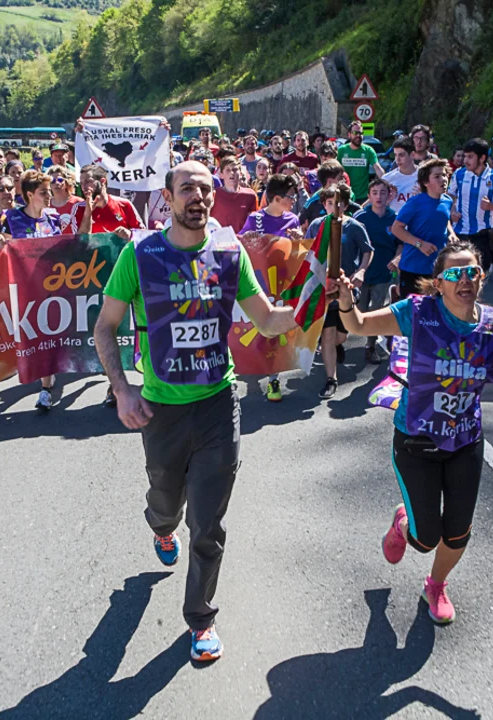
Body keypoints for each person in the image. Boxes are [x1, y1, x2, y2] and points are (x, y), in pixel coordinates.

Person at [93, 160, 297, 662]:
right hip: (161, 407)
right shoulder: (140, 255)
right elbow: (105, 326)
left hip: (217, 404)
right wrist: (122, 390)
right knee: (167, 501)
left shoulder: (229, 252)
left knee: (208, 524)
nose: (198, 197)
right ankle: (161, 525)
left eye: (205, 189)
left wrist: (317, 302)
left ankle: (201, 619)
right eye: (187, 188)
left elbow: (267, 320)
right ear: (168, 197)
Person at [333, 240, 493, 624]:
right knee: (425, 538)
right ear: (439, 282)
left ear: (482, 278)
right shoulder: (417, 312)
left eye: (472, 272)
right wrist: (346, 302)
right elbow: (358, 325)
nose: (465, 280)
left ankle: (435, 585)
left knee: (458, 533)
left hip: (465, 440)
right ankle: (403, 524)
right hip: (416, 440)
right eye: (455, 273)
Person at [72, 164, 146, 408]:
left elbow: (143, 235)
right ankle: (114, 384)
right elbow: (80, 241)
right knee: (104, 330)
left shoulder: (124, 205)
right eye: (81, 182)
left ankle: (134, 381)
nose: (84, 186)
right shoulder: (79, 208)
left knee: (128, 329)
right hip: (95, 278)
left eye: (88, 181)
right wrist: (89, 210)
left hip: (125, 276)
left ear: (102, 181)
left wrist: (129, 234)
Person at [0, 170, 62, 410]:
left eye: (49, 191)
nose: (49, 196)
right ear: (30, 195)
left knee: (46, 336)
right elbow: (0, 251)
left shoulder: (53, 218)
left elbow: (63, 249)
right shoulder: (12, 218)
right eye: (44, 192)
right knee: (30, 335)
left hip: (50, 288)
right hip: (22, 288)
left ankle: (45, 389)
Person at [239, 173, 304, 403]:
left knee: (276, 332)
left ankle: (273, 378)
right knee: (260, 330)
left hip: (281, 284)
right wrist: (246, 238)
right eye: (290, 196)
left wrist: (299, 240)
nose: (294, 201)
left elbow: (297, 253)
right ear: (277, 198)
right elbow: (240, 244)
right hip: (259, 284)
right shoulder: (255, 219)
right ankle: (257, 368)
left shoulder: (293, 219)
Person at [305, 184, 372, 399]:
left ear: (345, 204)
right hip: (324, 290)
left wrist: (361, 271)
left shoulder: (354, 226)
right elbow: (307, 251)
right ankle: (331, 379)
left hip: (346, 289)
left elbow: (367, 251)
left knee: (341, 336)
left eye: (339, 203)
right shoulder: (316, 225)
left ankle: (334, 347)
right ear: (324, 205)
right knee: (328, 334)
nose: (335, 207)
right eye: (330, 203)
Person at [389, 159, 456, 300]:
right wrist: (420, 244)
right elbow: (396, 228)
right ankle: (397, 293)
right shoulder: (415, 202)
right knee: (412, 309)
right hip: (413, 267)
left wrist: (451, 233)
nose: (443, 179)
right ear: (426, 182)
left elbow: (444, 219)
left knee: (436, 309)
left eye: (444, 175)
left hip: (437, 267)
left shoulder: (447, 201)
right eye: (437, 176)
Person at [353, 178, 398, 364]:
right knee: (361, 309)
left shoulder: (395, 218)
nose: (379, 196)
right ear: (369, 196)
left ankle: (370, 346)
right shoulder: (360, 217)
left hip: (384, 270)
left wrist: (397, 258)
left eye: (382, 193)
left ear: (389, 196)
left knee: (376, 309)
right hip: (362, 271)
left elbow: (401, 242)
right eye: (375, 193)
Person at [447, 138, 493, 275]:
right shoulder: (459, 174)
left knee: (480, 274)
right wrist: (452, 211)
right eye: (464, 156)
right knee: (458, 272)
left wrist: (490, 206)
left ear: (482, 158)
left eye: (470, 157)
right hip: (460, 232)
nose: (465, 160)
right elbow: (450, 196)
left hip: (482, 234)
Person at [300, 160, 359, 229]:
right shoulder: (312, 202)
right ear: (330, 182)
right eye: (340, 178)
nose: (344, 181)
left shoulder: (345, 198)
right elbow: (301, 223)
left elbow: (359, 212)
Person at [336, 120, 383, 204]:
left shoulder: (368, 150)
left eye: (360, 133)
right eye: (355, 133)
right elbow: (334, 171)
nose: (358, 135)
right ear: (349, 134)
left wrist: (386, 182)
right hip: (345, 195)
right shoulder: (341, 150)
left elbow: (378, 168)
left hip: (363, 197)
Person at [212, 156, 259, 231]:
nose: (232, 173)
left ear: (240, 173)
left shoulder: (250, 195)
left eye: (235, 169)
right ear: (221, 174)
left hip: (242, 237)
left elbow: (254, 223)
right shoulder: (214, 195)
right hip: (219, 238)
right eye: (228, 170)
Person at [382, 136, 420, 213]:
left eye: (401, 155)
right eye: (395, 155)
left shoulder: (425, 176)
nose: (397, 159)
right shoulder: (387, 179)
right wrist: (387, 200)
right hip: (395, 220)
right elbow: (376, 208)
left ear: (412, 155)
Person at [48, 165, 82, 233]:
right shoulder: (45, 205)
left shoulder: (79, 203)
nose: (57, 183)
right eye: (52, 181)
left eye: (60, 180)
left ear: (67, 182)